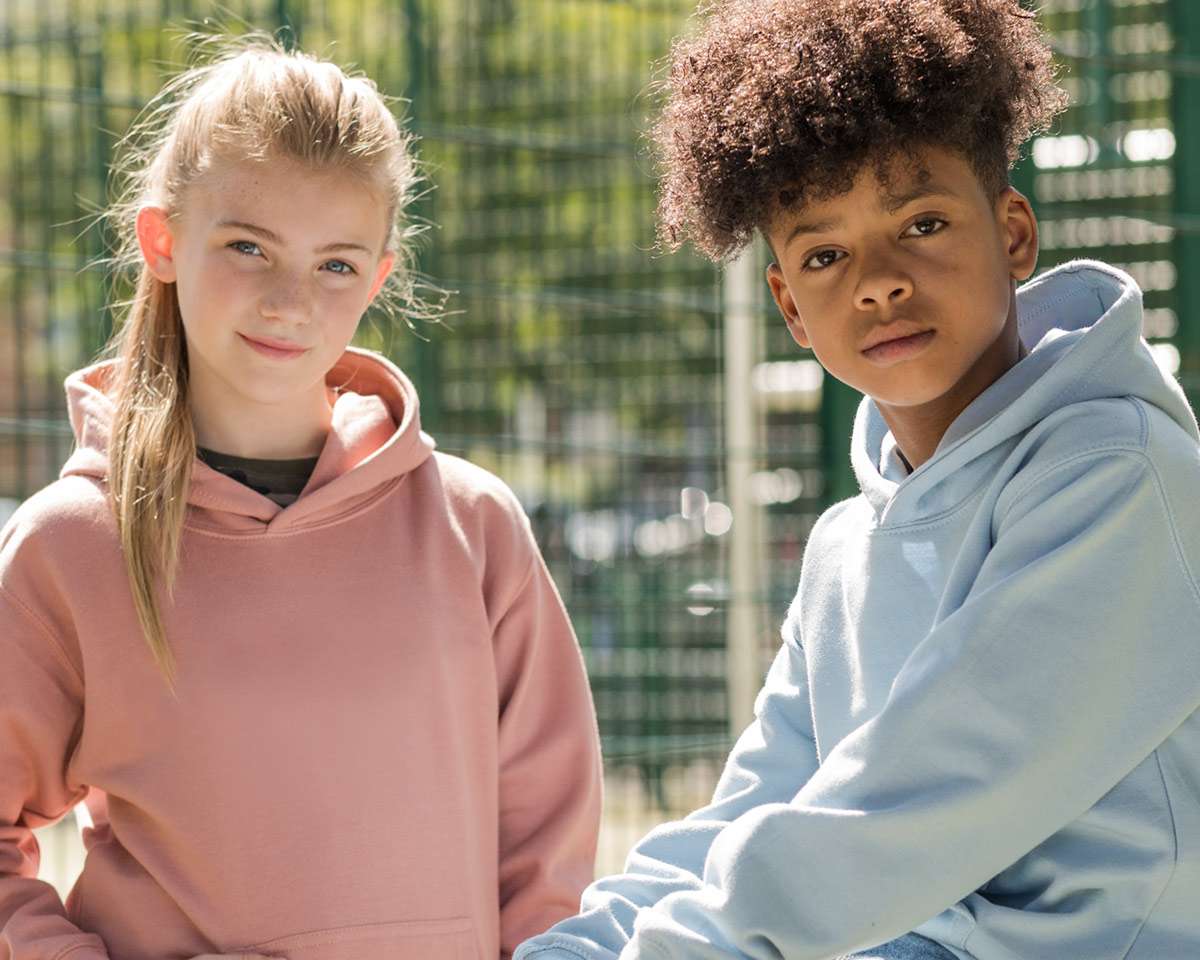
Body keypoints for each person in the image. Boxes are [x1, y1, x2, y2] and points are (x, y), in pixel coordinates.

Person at [516, 1, 1200, 958]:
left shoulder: (1119, 477)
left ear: (1012, 235)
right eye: (826, 253)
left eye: (920, 222)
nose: (877, 281)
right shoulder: (844, 546)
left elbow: (909, 813)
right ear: (791, 305)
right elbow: (754, 816)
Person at [0, 37, 602, 960]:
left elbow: (547, 858)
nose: (291, 301)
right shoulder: (71, 546)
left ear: (379, 278)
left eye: (335, 265)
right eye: (249, 246)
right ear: (161, 242)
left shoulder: (473, 528)